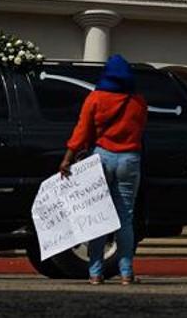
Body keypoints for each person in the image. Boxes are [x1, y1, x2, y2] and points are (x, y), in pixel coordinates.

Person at [59, 55, 147, 285]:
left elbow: (81, 131)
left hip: (101, 157)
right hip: (129, 159)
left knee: (98, 216)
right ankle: (126, 272)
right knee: (125, 218)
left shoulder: (95, 98)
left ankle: (95, 272)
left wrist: (67, 159)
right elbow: (140, 130)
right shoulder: (138, 101)